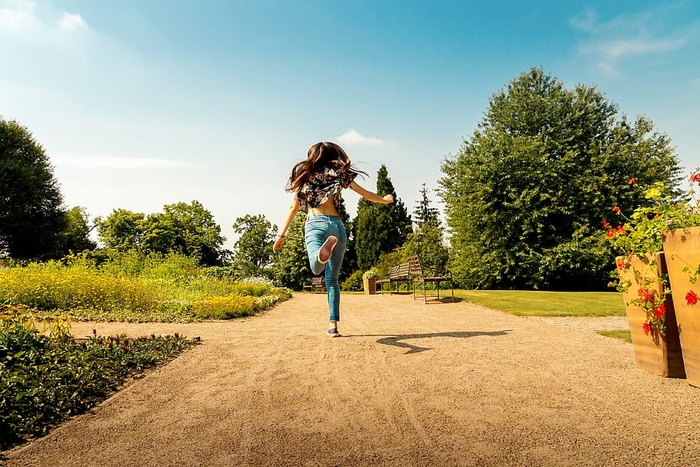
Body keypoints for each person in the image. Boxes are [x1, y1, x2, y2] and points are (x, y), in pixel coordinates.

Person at [273, 142, 394, 337]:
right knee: (332, 280)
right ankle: (333, 325)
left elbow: (293, 208)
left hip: (315, 224)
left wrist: (281, 235)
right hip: (337, 227)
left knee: (316, 267)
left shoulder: (305, 175)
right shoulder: (338, 173)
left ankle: (321, 254)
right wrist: (385, 199)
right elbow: (365, 194)